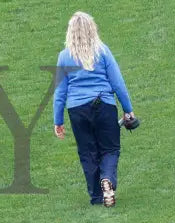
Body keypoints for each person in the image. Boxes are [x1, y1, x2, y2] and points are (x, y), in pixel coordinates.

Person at [52, 12, 136, 208]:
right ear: (92, 29)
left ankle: (97, 197)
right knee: (110, 148)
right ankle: (107, 179)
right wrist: (128, 110)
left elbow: (59, 92)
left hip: (77, 110)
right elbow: (118, 84)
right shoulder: (102, 51)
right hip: (104, 106)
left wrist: (58, 121)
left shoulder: (64, 56)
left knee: (87, 153)